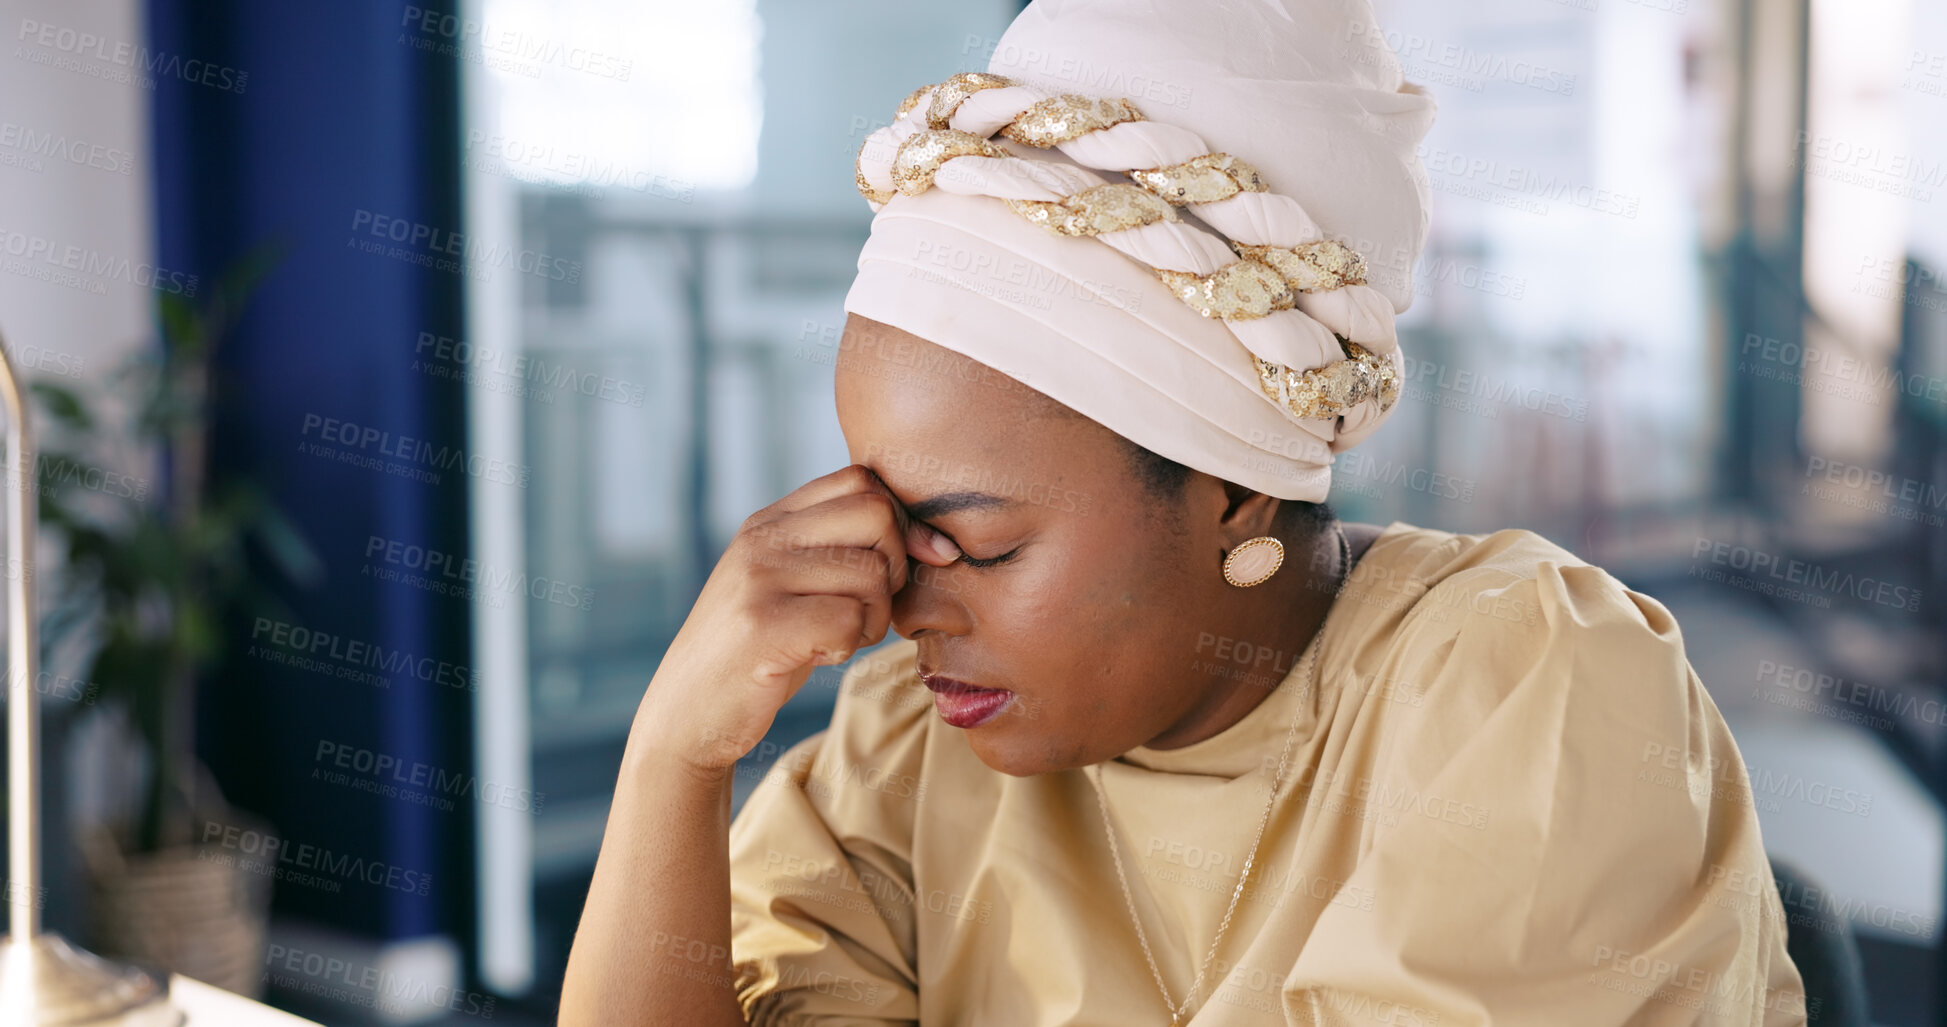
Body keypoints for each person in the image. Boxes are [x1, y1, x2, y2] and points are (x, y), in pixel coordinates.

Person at [559, 1, 1807, 1024]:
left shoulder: (1522, 683)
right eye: (885, 517)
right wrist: (676, 751)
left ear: (1233, 492)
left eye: (980, 541)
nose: (902, 603)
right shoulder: (906, 748)